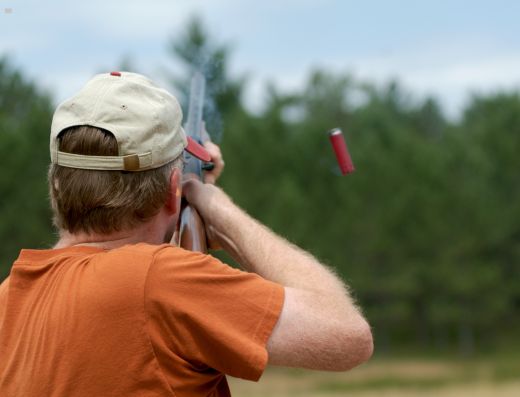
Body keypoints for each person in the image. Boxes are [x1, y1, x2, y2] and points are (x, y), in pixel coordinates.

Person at [0, 72, 372, 397]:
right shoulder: (159, 281)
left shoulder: (10, 297)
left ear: (56, 185)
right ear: (172, 189)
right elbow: (347, 335)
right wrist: (217, 209)